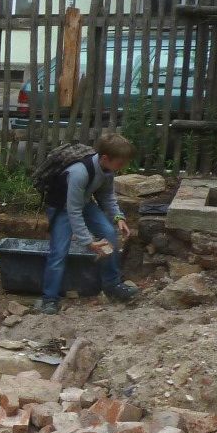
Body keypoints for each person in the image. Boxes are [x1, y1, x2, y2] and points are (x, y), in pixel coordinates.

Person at [38, 131, 140, 315]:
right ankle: (49, 298)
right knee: (59, 252)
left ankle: (112, 284)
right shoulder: (79, 173)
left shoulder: (107, 170)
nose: (123, 166)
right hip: (62, 208)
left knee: (109, 233)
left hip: (83, 203)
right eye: (120, 163)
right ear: (105, 158)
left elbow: (107, 195)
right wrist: (88, 241)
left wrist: (119, 217)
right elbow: (73, 211)